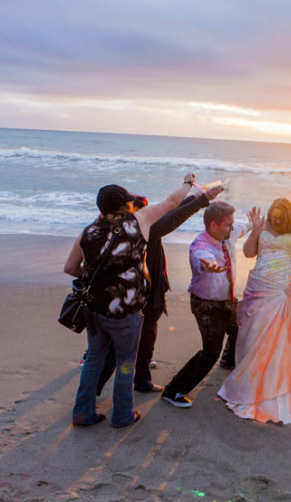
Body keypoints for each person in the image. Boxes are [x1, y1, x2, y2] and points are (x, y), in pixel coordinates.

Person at [63, 174, 198, 428]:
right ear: (126, 204)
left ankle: (82, 412)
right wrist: (188, 183)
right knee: (126, 362)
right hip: (125, 312)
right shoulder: (139, 222)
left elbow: (70, 267)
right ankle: (122, 414)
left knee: (94, 358)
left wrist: (92, 275)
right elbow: (171, 202)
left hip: (94, 310)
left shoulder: (88, 232)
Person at [95, 185, 224, 396]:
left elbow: (170, 209)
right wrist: (201, 200)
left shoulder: (122, 225)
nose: (152, 211)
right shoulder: (143, 229)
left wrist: (198, 196)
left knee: (145, 340)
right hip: (139, 295)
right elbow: (174, 217)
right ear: (133, 212)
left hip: (145, 292)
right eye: (145, 208)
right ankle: (98, 390)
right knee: (119, 349)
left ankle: (142, 380)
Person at [218, 199, 291, 424]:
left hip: (285, 287)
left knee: (283, 337)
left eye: (280, 217)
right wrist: (256, 230)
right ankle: (254, 377)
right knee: (255, 333)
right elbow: (250, 253)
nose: (276, 220)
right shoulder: (263, 226)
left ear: (288, 217)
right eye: (273, 216)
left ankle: (280, 379)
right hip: (260, 287)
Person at [161, 201, 250, 408]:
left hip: (228, 300)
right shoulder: (200, 246)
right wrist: (209, 265)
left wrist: (258, 223)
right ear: (213, 225)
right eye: (228, 224)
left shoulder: (228, 234)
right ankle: (173, 390)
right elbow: (203, 257)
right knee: (210, 352)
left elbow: (244, 227)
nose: (232, 227)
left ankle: (228, 360)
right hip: (206, 306)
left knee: (240, 327)